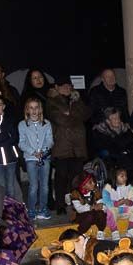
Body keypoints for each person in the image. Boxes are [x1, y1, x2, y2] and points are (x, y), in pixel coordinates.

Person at [46, 77, 90, 215]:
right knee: (61, 177)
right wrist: (72, 116)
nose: (66, 88)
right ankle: (60, 205)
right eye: (63, 85)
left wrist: (69, 113)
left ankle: (76, 204)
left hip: (78, 146)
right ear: (56, 87)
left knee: (76, 177)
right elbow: (59, 119)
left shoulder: (77, 100)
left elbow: (86, 114)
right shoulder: (51, 101)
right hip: (61, 145)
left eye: (68, 85)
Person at [18, 98, 54, 220]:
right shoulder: (23, 124)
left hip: (45, 158)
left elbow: (50, 140)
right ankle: (32, 209)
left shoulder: (46, 123)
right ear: (27, 110)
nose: (34, 110)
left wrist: (44, 151)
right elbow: (21, 143)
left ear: (40, 109)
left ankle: (43, 208)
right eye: (31, 108)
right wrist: (33, 152)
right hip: (30, 159)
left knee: (45, 186)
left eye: (36, 107)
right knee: (33, 186)